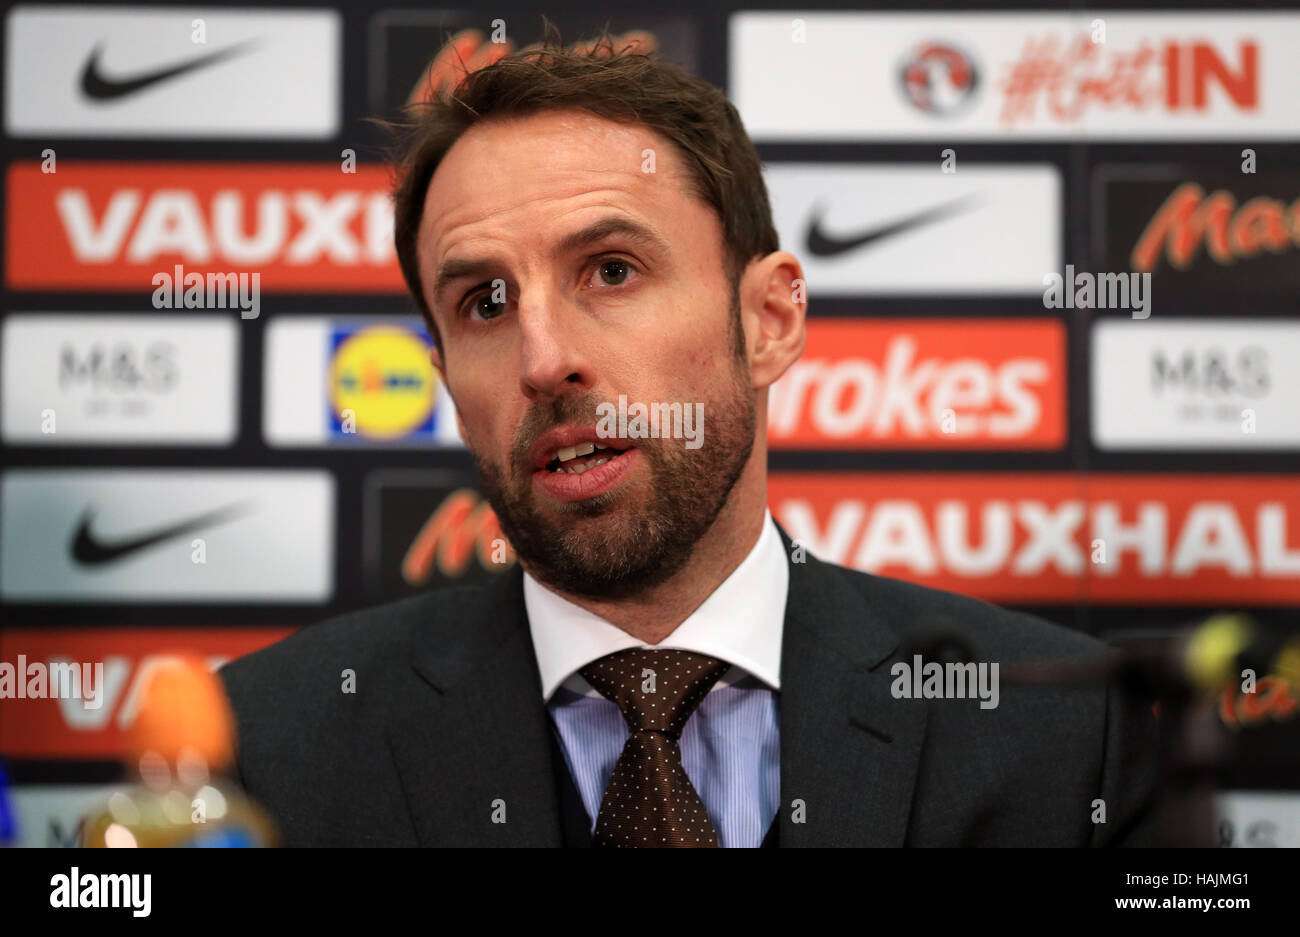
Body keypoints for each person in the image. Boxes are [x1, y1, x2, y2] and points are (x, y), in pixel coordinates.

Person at [219, 33, 1204, 847]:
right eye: (484, 302)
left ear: (769, 319)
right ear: (445, 382)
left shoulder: (1064, 736)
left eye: (610, 270)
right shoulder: (265, 747)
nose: (543, 358)